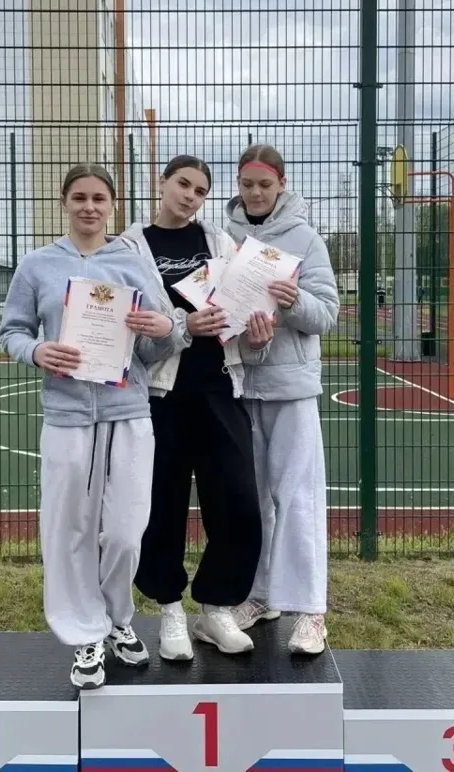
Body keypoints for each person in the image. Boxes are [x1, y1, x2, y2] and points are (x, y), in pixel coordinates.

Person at [0, 163, 183, 690]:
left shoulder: (132, 263)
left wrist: (165, 328)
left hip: (128, 412)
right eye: (79, 197)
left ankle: (117, 617)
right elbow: (12, 331)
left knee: (124, 531)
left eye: (99, 198)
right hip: (67, 415)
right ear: (65, 202)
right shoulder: (37, 265)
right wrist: (37, 351)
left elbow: (163, 341)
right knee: (69, 530)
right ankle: (85, 634)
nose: (89, 207)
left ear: (112, 205)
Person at [121, 154, 275, 661]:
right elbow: (130, 331)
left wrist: (257, 339)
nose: (190, 196)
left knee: (238, 503)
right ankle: (169, 608)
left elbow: (243, 321)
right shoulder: (131, 248)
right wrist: (183, 326)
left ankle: (216, 608)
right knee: (160, 507)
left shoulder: (221, 244)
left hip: (218, 390)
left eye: (201, 191)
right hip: (159, 396)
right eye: (183, 184)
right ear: (162, 182)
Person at [223, 144, 340, 656]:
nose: (255, 194)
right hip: (239, 384)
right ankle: (260, 595)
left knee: (298, 498)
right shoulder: (223, 236)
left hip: (291, 389)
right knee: (251, 503)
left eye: (264, 185)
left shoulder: (305, 238)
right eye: (247, 184)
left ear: (281, 185)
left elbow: (326, 314)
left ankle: (311, 611)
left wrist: (293, 303)